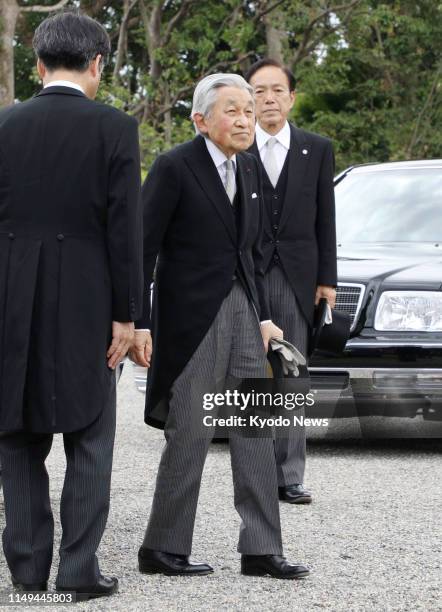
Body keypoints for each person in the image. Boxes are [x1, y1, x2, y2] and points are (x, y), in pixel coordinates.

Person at [130, 74, 309, 579]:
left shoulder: (248, 169)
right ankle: (162, 547)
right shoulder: (173, 167)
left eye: (249, 111)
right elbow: (141, 251)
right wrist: (139, 323)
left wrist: (265, 317)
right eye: (232, 110)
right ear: (200, 119)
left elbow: (250, 253)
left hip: (245, 311)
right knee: (191, 429)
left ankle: (260, 549)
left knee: (257, 426)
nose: (245, 119)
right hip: (193, 319)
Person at [0, 10, 143, 600]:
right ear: (98, 64)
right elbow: (125, 228)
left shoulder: (4, 126)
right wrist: (128, 316)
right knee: (91, 435)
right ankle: (79, 572)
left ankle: (28, 570)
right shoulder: (114, 127)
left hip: (11, 295)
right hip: (88, 296)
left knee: (15, 434)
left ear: (36, 65)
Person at [245, 59, 337, 505]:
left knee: (292, 372)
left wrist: (328, 279)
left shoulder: (316, 149)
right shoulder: (237, 148)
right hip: (247, 273)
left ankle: (289, 474)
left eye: (277, 90)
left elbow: (327, 218)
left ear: (292, 96)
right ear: (248, 98)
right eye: (259, 91)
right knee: (249, 371)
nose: (268, 99)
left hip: (299, 276)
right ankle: (255, 471)